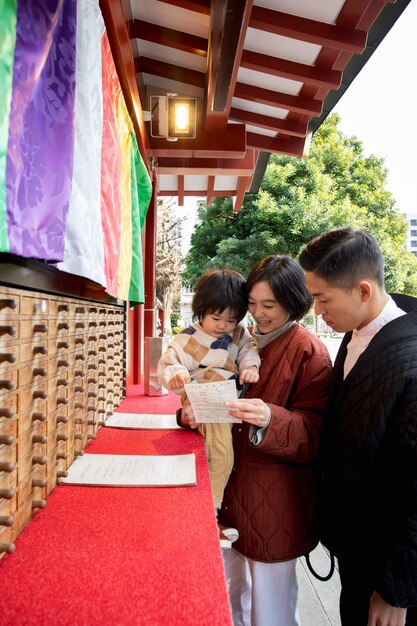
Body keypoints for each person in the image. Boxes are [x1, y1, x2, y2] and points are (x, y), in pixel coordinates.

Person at [177, 256, 332, 626]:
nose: (258, 314)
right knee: (230, 598)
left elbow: (316, 433)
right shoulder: (234, 341)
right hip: (231, 493)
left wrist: (270, 418)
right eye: (252, 304)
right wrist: (186, 416)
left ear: (294, 302)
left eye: (270, 305)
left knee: (271, 610)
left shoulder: (308, 351)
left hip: (274, 501)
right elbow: (201, 395)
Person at [299, 227, 417, 626]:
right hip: (357, 548)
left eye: (323, 298)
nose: (317, 310)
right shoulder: (354, 335)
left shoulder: (410, 356)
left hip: (389, 567)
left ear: (363, 290)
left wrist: (396, 589)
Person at [157, 268, 261, 542]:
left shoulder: (239, 336)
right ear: (201, 310)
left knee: (212, 458)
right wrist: (176, 375)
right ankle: (210, 516)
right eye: (216, 318)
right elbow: (168, 362)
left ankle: (203, 514)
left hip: (226, 403)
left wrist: (250, 366)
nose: (223, 326)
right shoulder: (187, 338)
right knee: (221, 455)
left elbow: (250, 351)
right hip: (204, 402)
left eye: (231, 319)